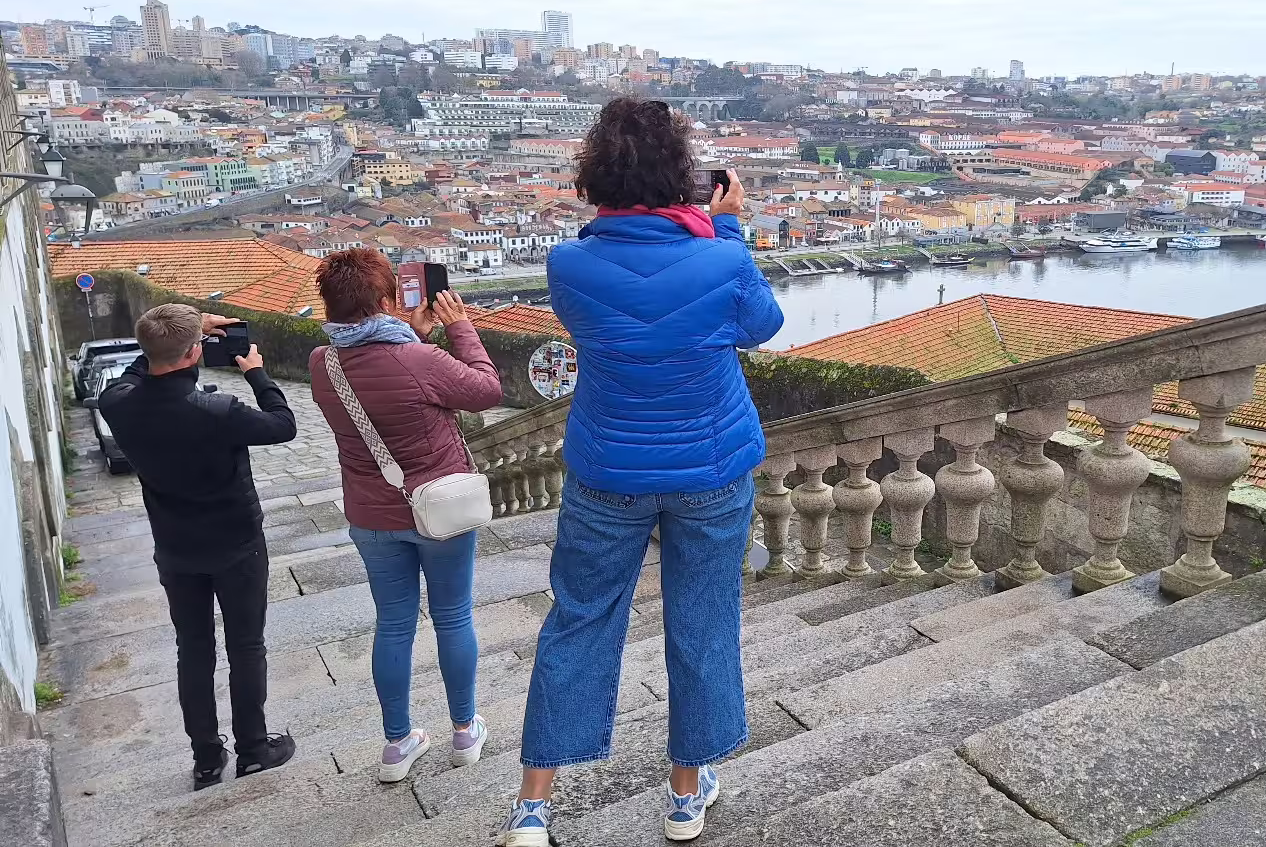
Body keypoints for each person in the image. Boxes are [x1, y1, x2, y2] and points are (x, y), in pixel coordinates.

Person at [499, 97, 783, 847]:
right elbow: (761, 326)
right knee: (703, 620)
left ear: (596, 178)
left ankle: (533, 806)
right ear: (683, 176)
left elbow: (608, 321)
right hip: (711, 469)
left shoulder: (568, 264)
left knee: (579, 619)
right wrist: (726, 226)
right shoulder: (722, 255)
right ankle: (686, 794)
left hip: (607, 469)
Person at [308, 248, 503, 784]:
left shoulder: (321, 364)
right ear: (386, 300)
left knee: (393, 624)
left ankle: (397, 744)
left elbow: (379, 374)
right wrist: (459, 328)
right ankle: (464, 731)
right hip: (438, 508)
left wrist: (409, 334)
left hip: (371, 515)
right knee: (452, 616)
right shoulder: (419, 359)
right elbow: (486, 390)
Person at [96, 304, 298, 790]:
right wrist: (256, 372)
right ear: (195, 353)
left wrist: (173, 340)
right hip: (237, 542)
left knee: (193, 649)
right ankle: (253, 749)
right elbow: (282, 423)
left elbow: (138, 371)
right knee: (245, 646)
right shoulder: (217, 411)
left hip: (175, 546)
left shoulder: (117, 403)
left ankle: (206, 758)